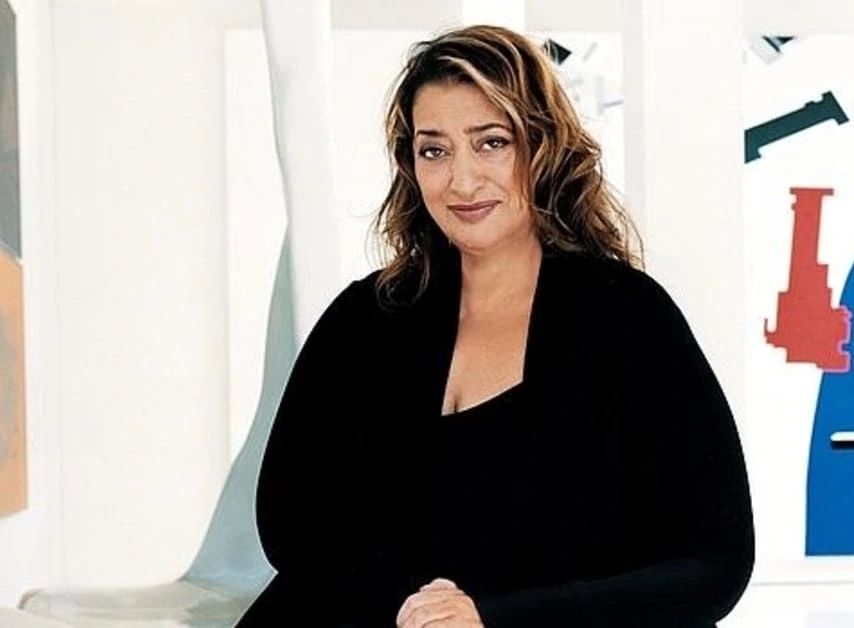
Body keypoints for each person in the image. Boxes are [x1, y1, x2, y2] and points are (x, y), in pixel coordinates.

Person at [238, 24, 754, 628]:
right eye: (434, 150)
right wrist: (409, 607)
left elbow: (714, 562)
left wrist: (493, 619)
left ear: (542, 147)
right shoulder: (363, 317)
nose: (462, 180)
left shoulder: (629, 318)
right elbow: (290, 522)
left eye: (491, 143)